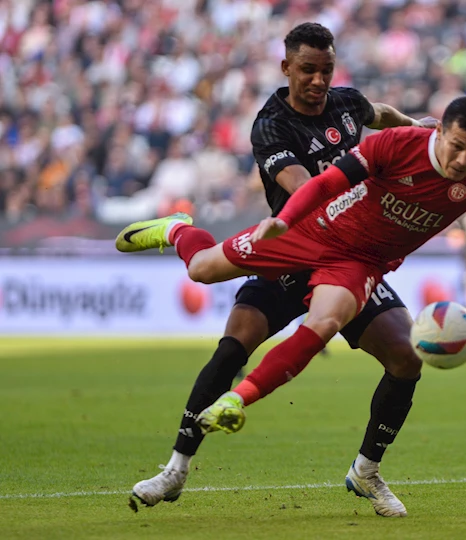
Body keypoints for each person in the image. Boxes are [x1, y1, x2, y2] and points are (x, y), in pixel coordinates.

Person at [117, 97, 466, 515]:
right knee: (204, 267)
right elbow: (329, 181)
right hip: (311, 230)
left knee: (332, 322)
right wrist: (285, 219)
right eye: (456, 146)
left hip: (357, 262)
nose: (462, 160)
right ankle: (178, 230)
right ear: (440, 131)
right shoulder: (395, 146)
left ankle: (267, 414)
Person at [129, 23, 437, 517]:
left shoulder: (346, 102)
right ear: (286, 68)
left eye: (326, 70)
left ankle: (366, 472)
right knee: (231, 346)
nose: (318, 80)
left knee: (406, 358)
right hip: (289, 251)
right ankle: (174, 471)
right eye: (308, 71)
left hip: (346, 258)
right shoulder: (270, 124)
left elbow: (378, 114)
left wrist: (416, 125)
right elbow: (299, 186)